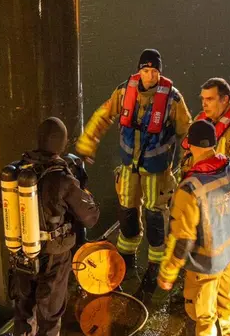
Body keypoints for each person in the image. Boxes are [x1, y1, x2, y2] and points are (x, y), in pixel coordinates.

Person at [76, 49, 192, 292]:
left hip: (157, 169)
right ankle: (127, 259)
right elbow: (103, 115)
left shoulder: (173, 98)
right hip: (130, 166)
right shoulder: (124, 91)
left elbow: (186, 132)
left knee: (155, 215)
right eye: (146, 70)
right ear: (139, 70)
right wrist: (88, 143)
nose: (149, 75)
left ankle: (155, 264)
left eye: (154, 71)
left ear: (160, 72)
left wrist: (189, 166)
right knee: (127, 212)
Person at [7, 117, 100, 336]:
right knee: (50, 317)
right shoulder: (62, 177)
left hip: (22, 252)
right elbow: (91, 217)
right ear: (60, 144)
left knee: (24, 307)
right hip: (54, 259)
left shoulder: (20, 171)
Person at [157, 119, 230, 336]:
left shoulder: (189, 188)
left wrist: (168, 273)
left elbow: (182, 239)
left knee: (204, 320)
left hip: (204, 266)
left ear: (191, 146)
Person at [181, 78, 230, 290]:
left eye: (210, 99)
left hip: (223, 207)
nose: (204, 104)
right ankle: (205, 288)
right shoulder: (204, 123)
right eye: (203, 99)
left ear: (225, 100)